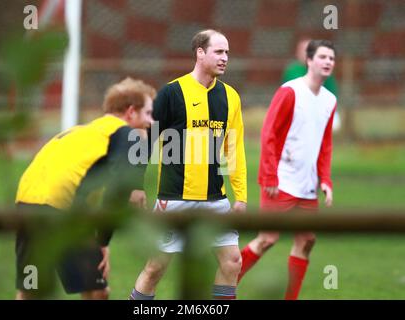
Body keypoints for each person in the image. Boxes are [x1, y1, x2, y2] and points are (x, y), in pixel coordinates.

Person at [129, 29, 247, 300]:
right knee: (156, 267)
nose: (225, 57)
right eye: (219, 51)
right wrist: (135, 185)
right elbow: (145, 142)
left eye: (227, 52)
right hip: (174, 199)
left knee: (232, 262)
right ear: (200, 53)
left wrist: (240, 195)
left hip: (216, 199)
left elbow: (234, 148)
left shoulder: (231, 97)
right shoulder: (171, 93)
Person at [15, 77, 156, 299]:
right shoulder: (125, 133)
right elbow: (125, 191)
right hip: (60, 208)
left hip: (26, 205)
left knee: (30, 288)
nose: (151, 122)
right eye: (148, 114)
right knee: (97, 291)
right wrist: (103, 240)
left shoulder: (82, 132)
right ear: (131, 112)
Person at [238, 40, 337, 300]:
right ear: (309, 60)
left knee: (307, 240)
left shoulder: (330, 100)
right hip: (279, 181)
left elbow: (325, 143)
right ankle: (224, 287)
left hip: (308, 185)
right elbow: (269, 133)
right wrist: (270, 174)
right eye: (323, 57)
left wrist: (325, 178)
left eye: (332, 58)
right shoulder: (290, 91)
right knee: (267, 239)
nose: (328, 62)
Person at [282, 37, 341, 131]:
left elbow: (332, 92)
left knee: (334, 126)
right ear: (297, 52)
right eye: (303, 50)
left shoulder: (324, 69)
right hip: (297, 110)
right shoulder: (292, 71)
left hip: (321, 109)